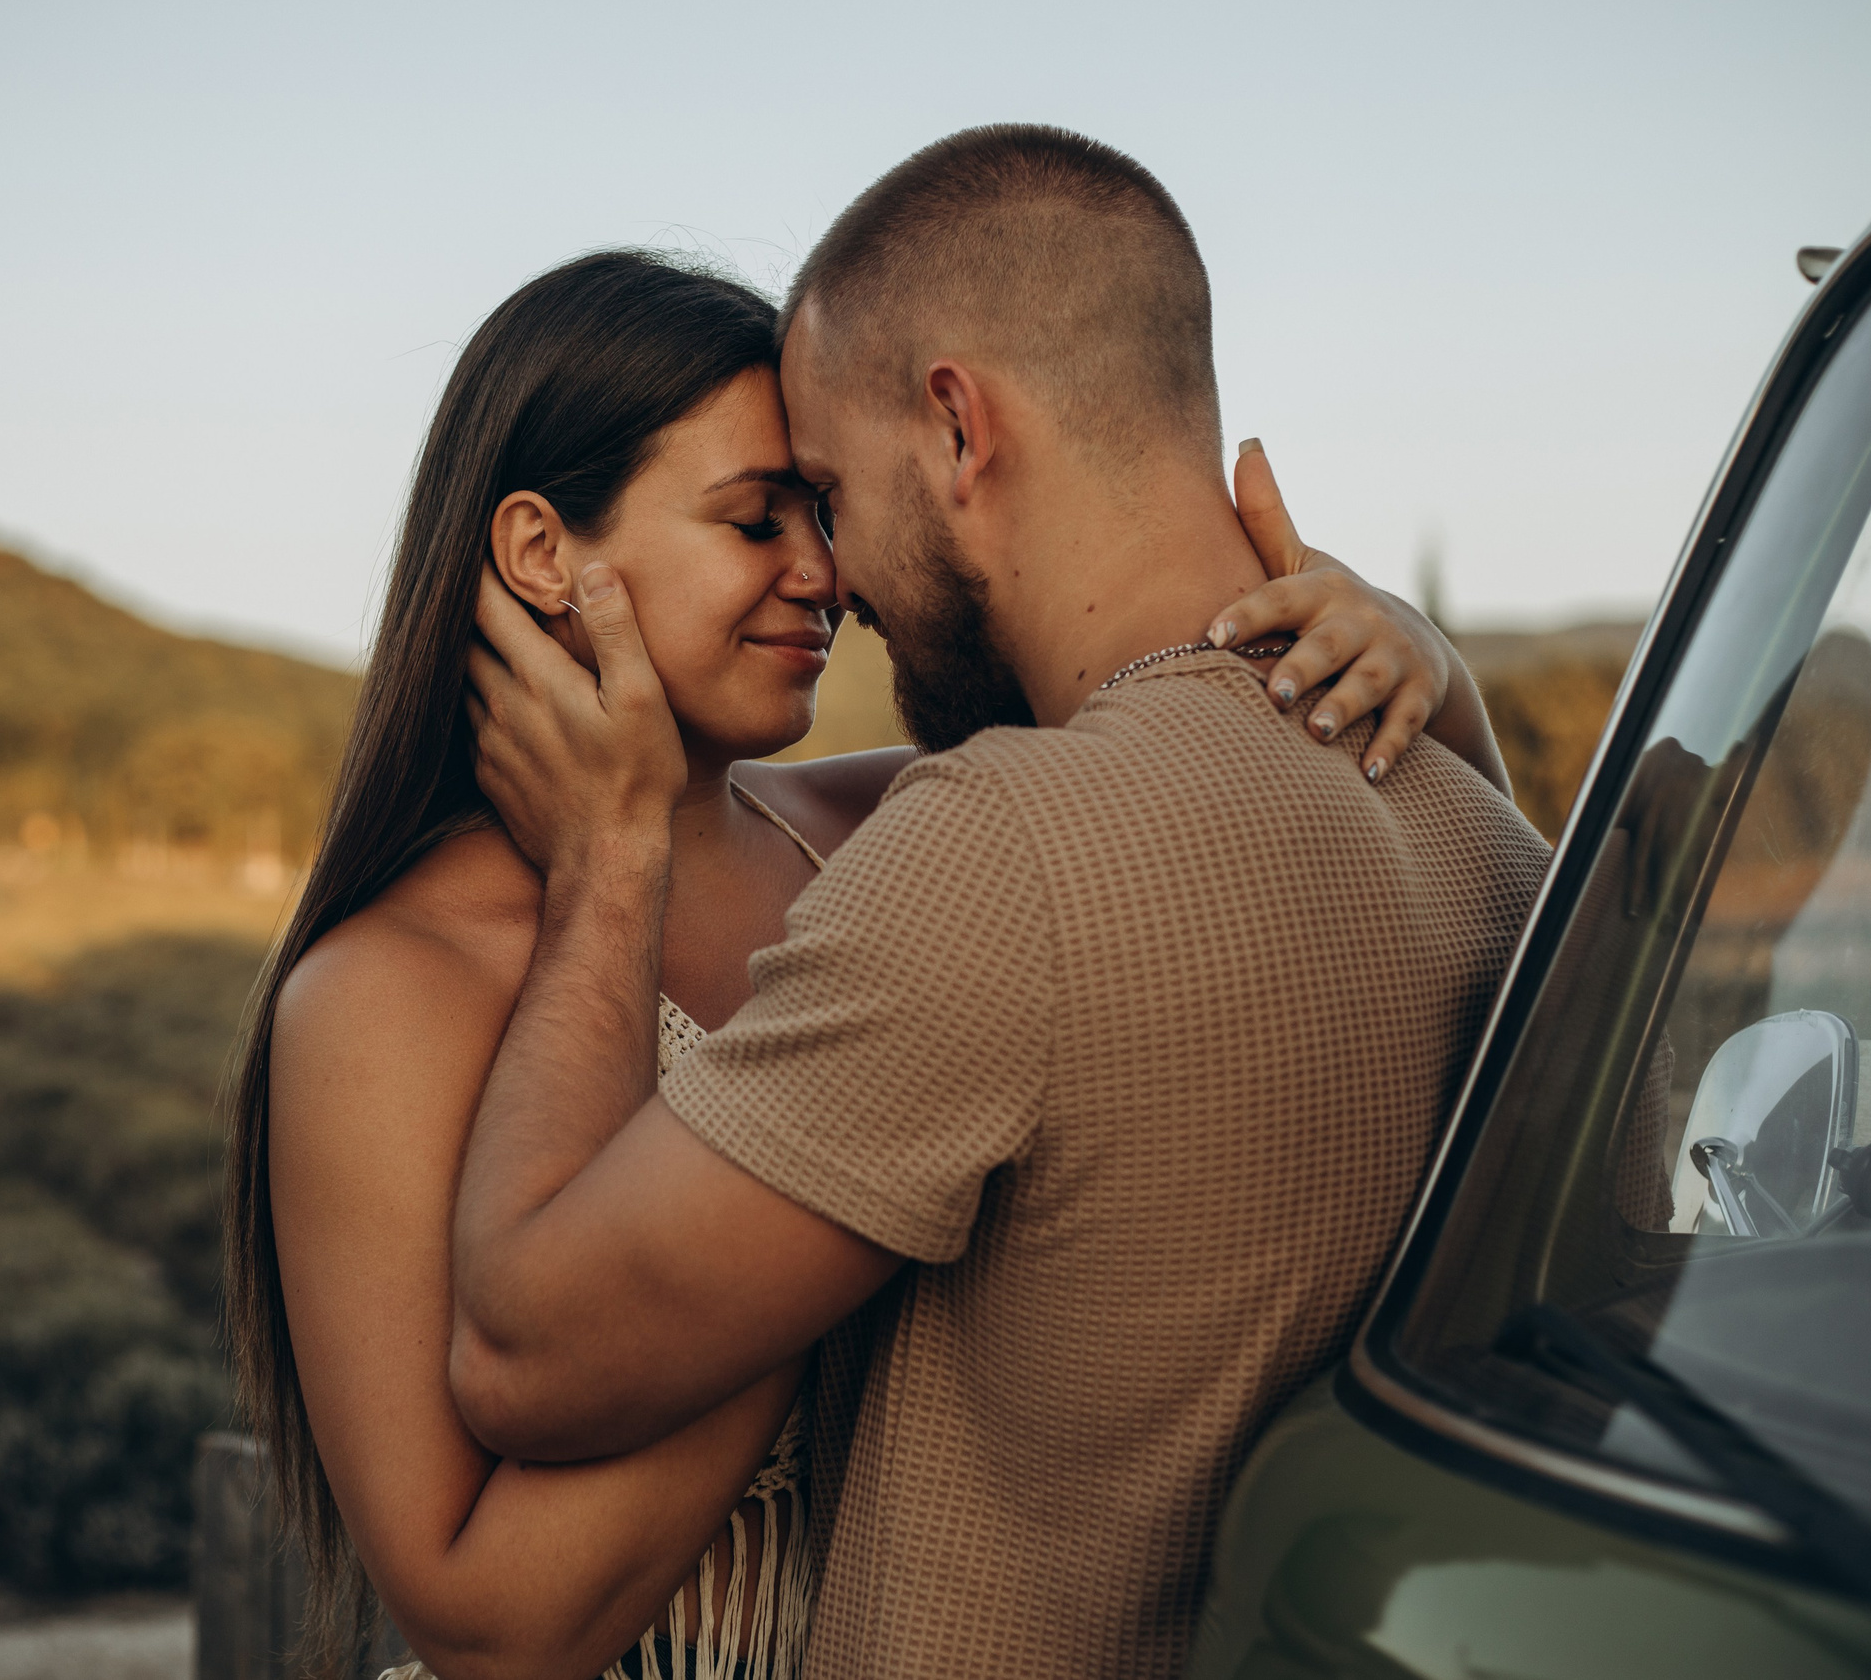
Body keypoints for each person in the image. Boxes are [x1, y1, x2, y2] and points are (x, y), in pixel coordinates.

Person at [225, 249, 1499, 1680]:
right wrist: (614, 875)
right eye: (754, 519)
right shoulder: (383, 995)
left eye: (823, 512)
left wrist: (1419, 666)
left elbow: (1200, 789)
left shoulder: (905, 829)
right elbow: (486, 1623)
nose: (825, 575)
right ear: (540, 553)